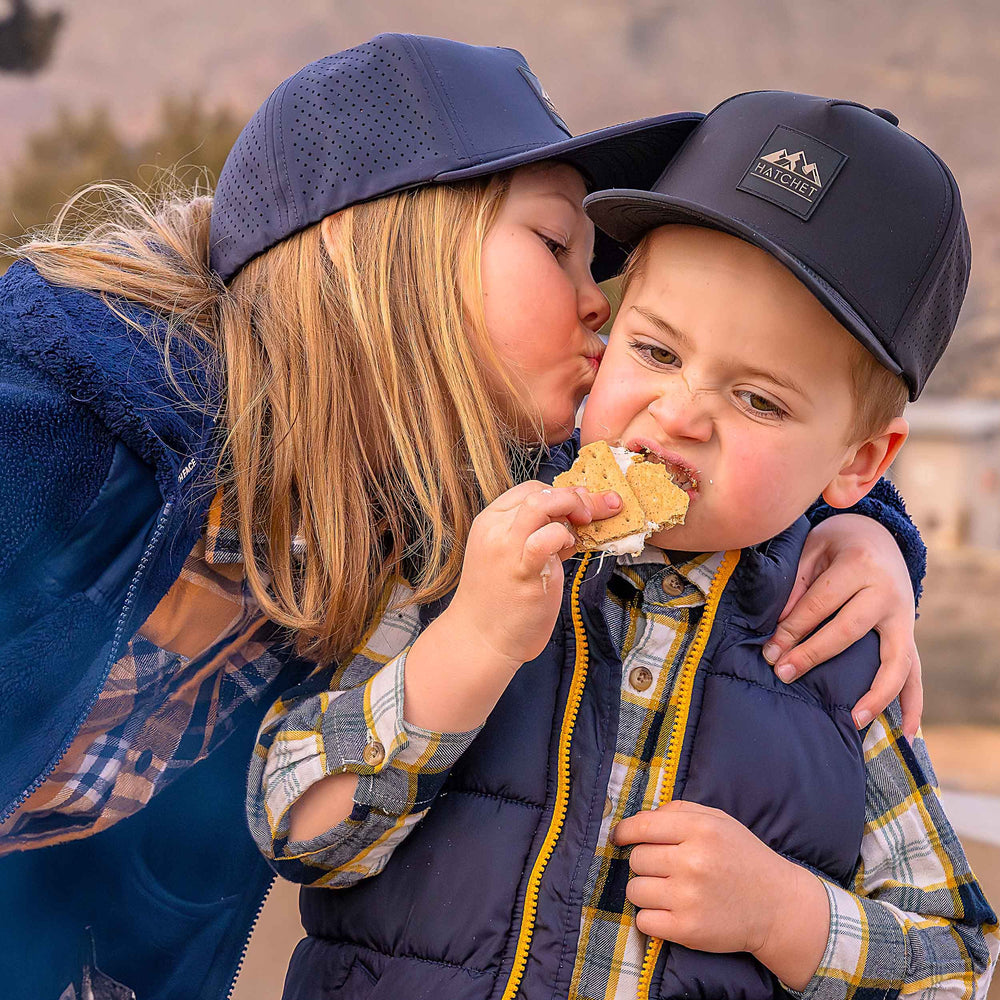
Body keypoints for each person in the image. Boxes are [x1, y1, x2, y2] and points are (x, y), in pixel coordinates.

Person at [0, 33, 916, 999]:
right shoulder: (56, 419)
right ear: (393, 250)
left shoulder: (428, 497)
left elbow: (730, 453)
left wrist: (864, 528)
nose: (598, 305)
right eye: (558, 246)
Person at [252, 92, 998, 999]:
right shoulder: (462, 550)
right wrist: (472, 645)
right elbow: (297, 831)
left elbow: (955, 966)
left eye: (758, 400)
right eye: (655, 350)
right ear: (607, 334)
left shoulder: (838, 657)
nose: (679, 413)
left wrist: (786, 916)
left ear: (859, 464)